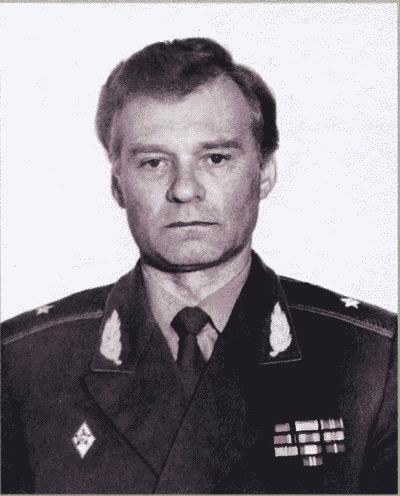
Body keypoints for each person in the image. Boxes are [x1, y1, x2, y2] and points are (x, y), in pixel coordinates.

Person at [1, 38, 396, 494]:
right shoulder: (22, 365)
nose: (185, 190)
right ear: (117, 184)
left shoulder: (373, 360)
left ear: (265, 173)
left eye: (216, 158)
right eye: (154, 163)